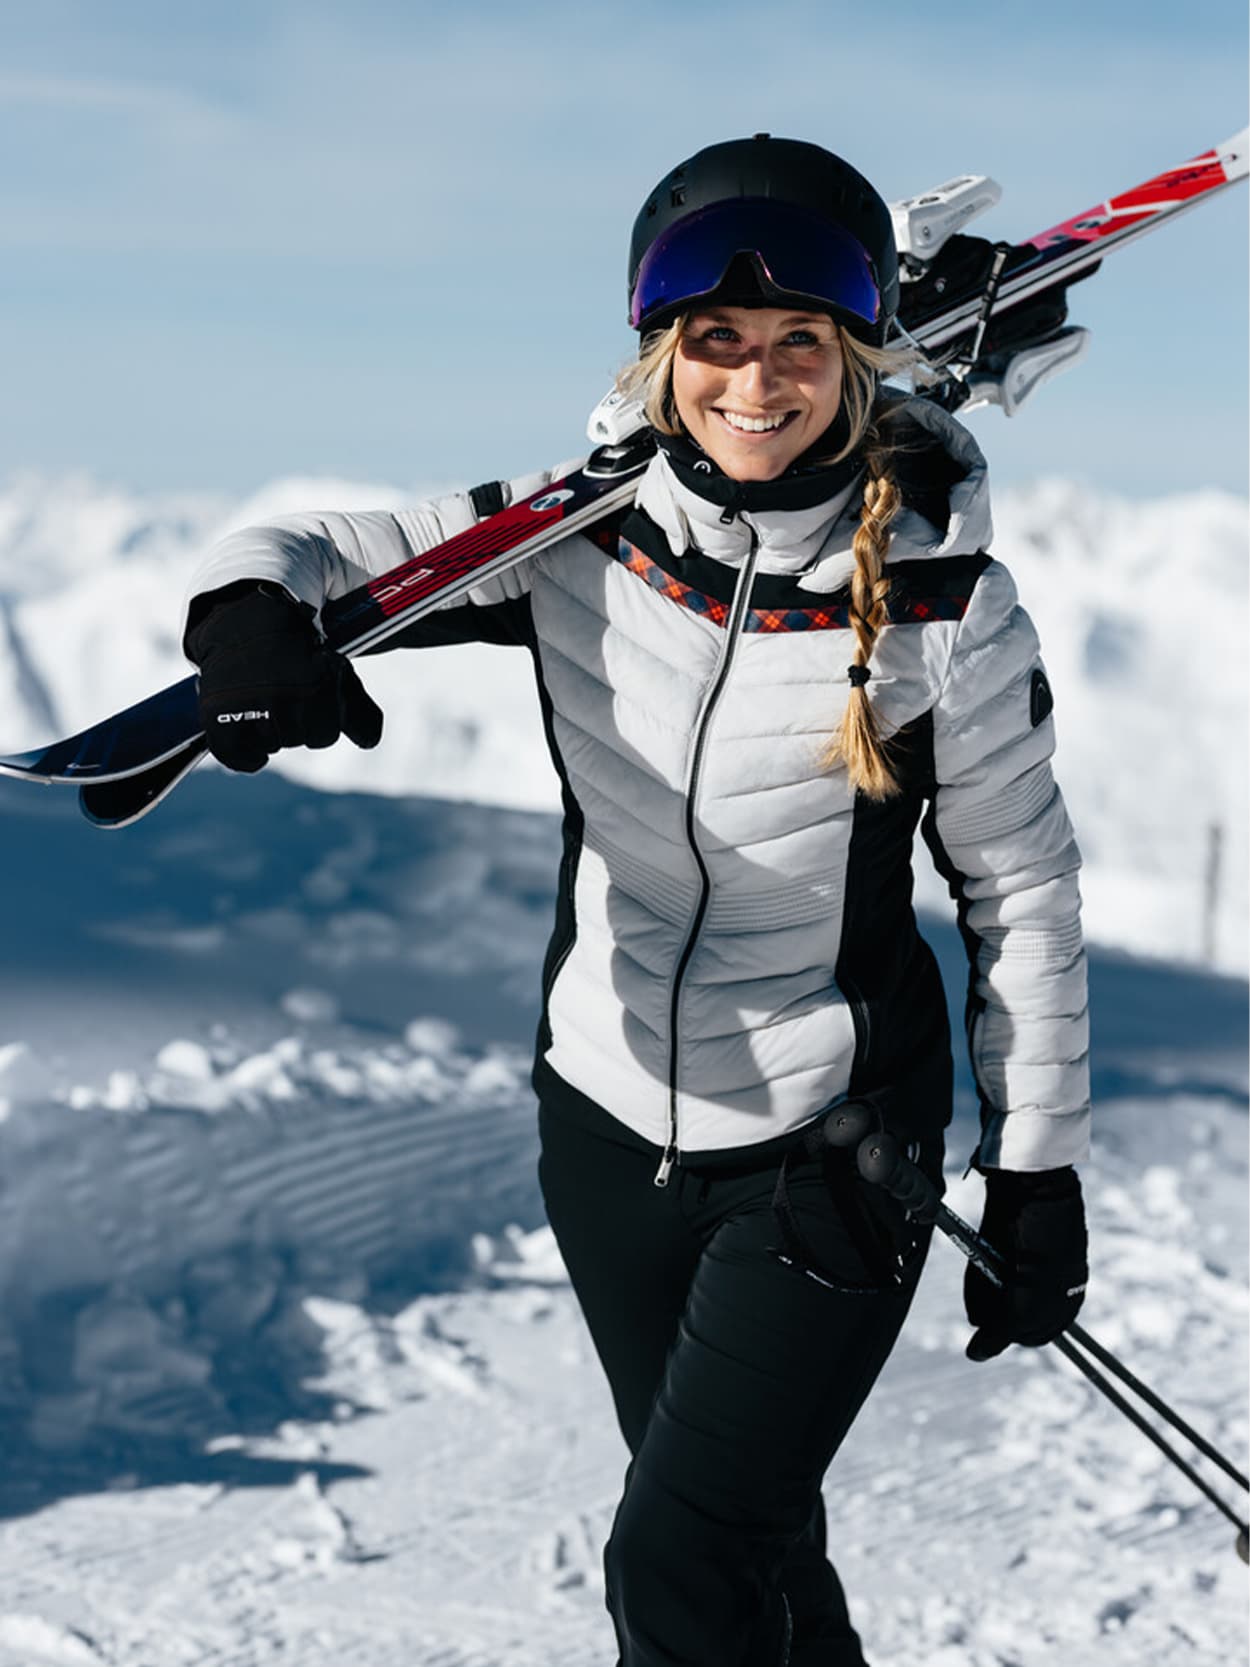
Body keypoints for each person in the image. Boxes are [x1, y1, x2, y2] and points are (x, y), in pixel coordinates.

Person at [180, 135, 1091, 1667]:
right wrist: (248, 614)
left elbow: (1022, 894)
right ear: (661, 356)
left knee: (675, 1565)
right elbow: (316, 540)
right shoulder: (570, 539)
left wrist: (1037, 1168)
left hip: (829, 1147)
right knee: (747, 1542)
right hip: (602, 1129)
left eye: (798, 340)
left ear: (854, 355)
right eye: (714, 341)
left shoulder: (946, 603)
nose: (754, 379)